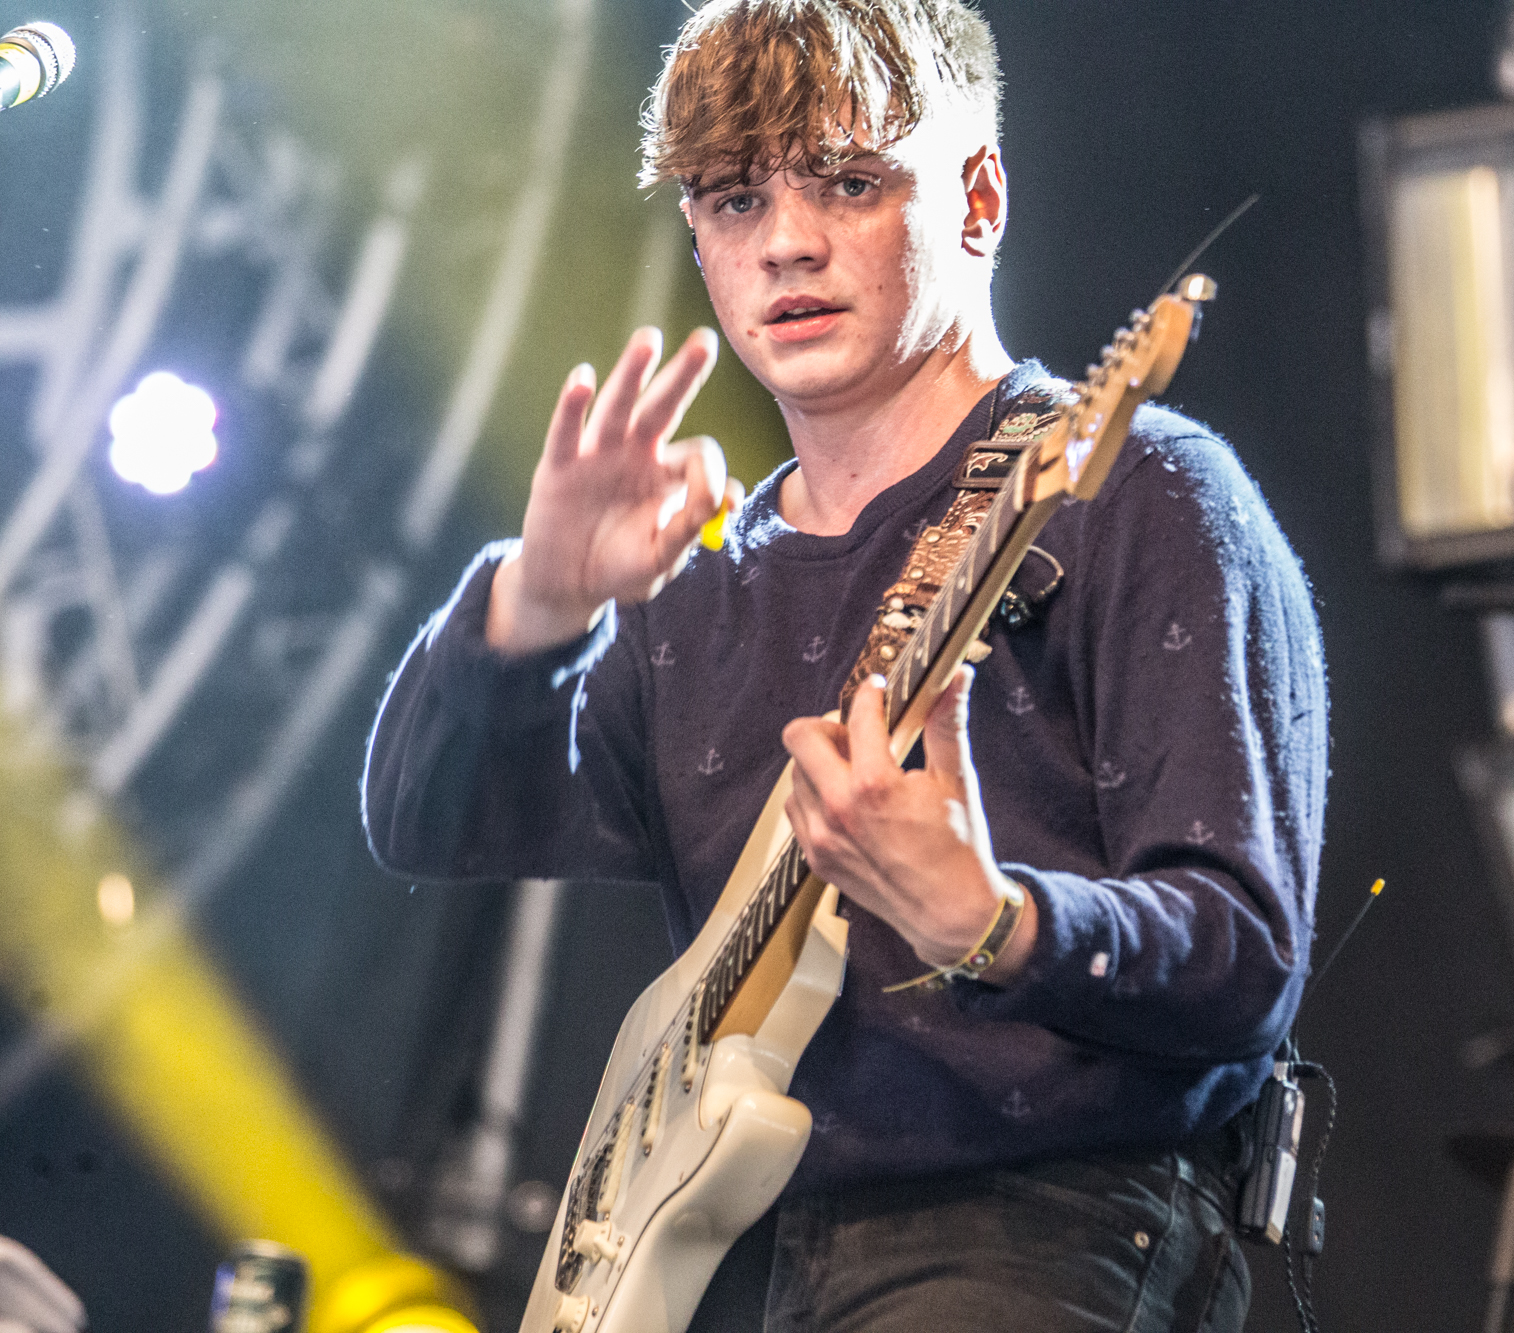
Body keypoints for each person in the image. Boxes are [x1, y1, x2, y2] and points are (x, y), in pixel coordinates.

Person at [362, 1, 1326, 1328]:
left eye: (849, 183)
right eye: (737, 200)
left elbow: (1243, 956)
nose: (788, 243)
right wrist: (536, 600)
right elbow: (428, 821)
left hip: (1042, 1231)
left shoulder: (1139, 491)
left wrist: (997, 921)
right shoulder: (701, 584)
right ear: (698, 240)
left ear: (979, 198)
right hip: (735, 1253)